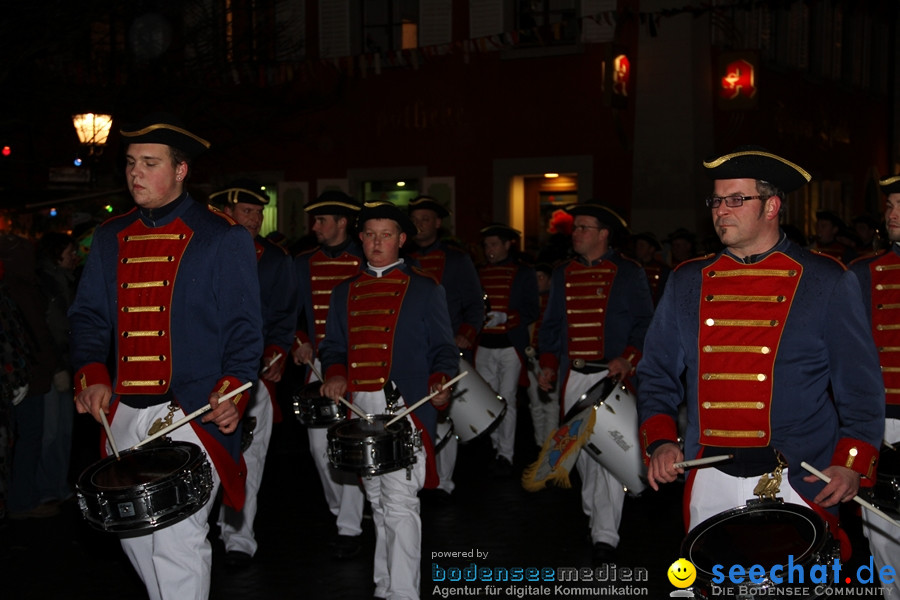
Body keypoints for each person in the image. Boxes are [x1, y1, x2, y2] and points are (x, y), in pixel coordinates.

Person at [637, 146, 884, 560]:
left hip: (799, 474)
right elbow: (657, 372)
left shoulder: (825, 280)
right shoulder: (687, 281)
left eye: (736, 199)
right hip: (707, 471)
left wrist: (851, 463)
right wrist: (661, 440)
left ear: (772, 205)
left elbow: (859, 385)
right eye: (716, 200)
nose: (721, 211)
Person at [68, 113, 263, 600]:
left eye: (149, 163)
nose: (135, 173)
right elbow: (89, 318)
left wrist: (231, 391)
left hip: (192, 412)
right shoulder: (111, 236)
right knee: (137, 540)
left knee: (178, 548)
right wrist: (91, 374)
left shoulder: (222, 237)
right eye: (131, 163)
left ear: (180, 171)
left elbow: (244, 332)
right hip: (125, 418)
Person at [319, 200, 458, 600]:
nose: (377, 243)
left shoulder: (425, 288)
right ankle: (385, 584)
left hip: (406, 405)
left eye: (386, 236)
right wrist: (336, 373)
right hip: (360, 405)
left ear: (401, 240)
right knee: (378, 500)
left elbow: (445, 351)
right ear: (360, 239)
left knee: (399, 502)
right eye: (370, 235)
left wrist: (440, 380)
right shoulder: (344, 291)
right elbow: (334, 347)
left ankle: (403, 592)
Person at [536, 202, 654, 564]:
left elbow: (646, 324)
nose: (577, 234)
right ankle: (596, 514)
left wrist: (628, 358)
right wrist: (548, 365)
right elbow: (552, 326)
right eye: (576, 228)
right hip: (575, 375)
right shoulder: (562, 273)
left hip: (611, 376)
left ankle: (605, 535)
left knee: (604, 454)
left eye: (585, 228)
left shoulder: (629, 273)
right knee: (582, 455)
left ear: (604, 235)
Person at [213, 179, 298, 567]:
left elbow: (284, 314)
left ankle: (239, 537)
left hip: (253, 376)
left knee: (251, 456)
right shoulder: (204, 252)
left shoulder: (277, 260)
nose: (255, 219)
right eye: (247, 211)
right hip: (203, 377)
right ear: (225, 213)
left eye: (258, 212)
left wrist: (278, 350)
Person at [290, 189, 367, 558]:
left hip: (361, 366)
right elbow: (291, 313)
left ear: (341, 223)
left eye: (321, 220)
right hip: (319, 365)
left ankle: (348, 524)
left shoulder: (364, 261)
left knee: (348, 442)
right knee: (319, 447)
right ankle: (342, 509)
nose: (315, 227)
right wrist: (299, 340)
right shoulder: (303, 262)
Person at [406, 195, 484, 498]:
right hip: (412, 352)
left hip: (444, 348)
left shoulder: (457, 259)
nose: (420, 225)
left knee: (444, 415)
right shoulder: (402, 258)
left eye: (426, 219)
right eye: (415, 219)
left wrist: (465, 333)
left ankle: (442, 481)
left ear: (437, 223)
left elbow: (475, 307)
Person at [848, 174, 900, 600]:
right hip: (882, 420)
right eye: (890, 205)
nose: (894, 214)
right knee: (881, 527)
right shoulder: (865, 273)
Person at [476, 224, 539, 475]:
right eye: (486, 245)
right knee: (487, 399)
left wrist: (507, 317)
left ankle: (506, 453)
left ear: (507, 245)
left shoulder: (523, 273)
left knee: (508, 399)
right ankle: (494, 447)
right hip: (484, 345)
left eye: (493, 245)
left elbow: (532, 309)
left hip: (509, 346)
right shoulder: (478, 272)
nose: (489, 250)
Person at [35, 232, 80, 506]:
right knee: (50, 432)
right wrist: (56, 367)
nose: (74, 256)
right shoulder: (46, 283)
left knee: (63, 431)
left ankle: (58, 484)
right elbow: (49, 329)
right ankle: (44, 488)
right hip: (52, 368)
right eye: (70, 251)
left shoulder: (66, 282)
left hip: (64, 365)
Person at [524, 263, 558, 447]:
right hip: (532, 356)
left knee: (551, 404)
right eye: (534, 277)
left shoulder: (555, 302)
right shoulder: (530, 301)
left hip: (551, 358)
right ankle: (539, 444)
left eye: (541, 277)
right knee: (535, 403)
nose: (537, 282)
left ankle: (549, 447)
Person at [630, 231, 670, 306]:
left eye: (641, 245)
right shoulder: (631, 267)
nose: (638, 248)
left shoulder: (663, 270)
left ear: (651, 249)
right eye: (637, 245)